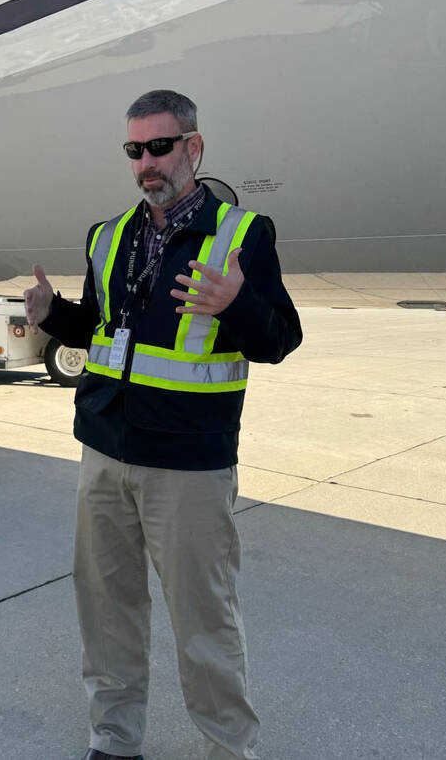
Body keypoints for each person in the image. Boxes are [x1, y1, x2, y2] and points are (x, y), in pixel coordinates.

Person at [24, 90, 302, 760]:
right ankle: (115, 740)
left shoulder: (242, 235)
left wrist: (235, 303)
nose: (147, 162)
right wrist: (52, 314)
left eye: (160, 146)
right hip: (104, 452)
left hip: (189, 464)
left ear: (193, 148)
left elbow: (280, 339)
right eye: (135, 150)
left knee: (204, 623)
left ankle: (228, 748)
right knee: (107, 611)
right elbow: (100, 331)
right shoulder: (108, 235)